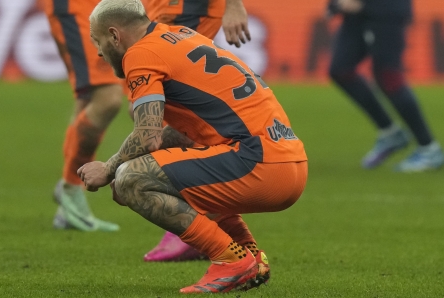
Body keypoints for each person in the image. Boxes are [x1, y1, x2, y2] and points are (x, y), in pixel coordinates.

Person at [79, 0, 308, 292]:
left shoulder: (141, 54)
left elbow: (148, 135)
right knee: (163, 169)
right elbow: (181, 136)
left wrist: (108, 168)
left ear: (114, 35)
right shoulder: (182, 36)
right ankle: (248, 255)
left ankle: (230, 261)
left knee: (131, 178)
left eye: (97, 41)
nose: (99, 52)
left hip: (259, 163)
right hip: (289, 162)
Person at [139, 0, 252, 263]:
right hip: (158, 6)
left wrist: (233, 4)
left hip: (188, 7)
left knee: (169, 107)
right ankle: (217, 224)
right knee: (151, 107)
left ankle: (191, 227)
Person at [327, 0, 443, 172]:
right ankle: (390, 133)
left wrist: (367, 6)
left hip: (386, 9)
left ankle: (429, 148)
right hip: (355, 14)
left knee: (388, 75)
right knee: (341, 70)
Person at [42, 0, 122, 231]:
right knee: (108, 98)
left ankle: (69, 203)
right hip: (78, 6)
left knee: (88, 97)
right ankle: (69, 186)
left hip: (101, 6)